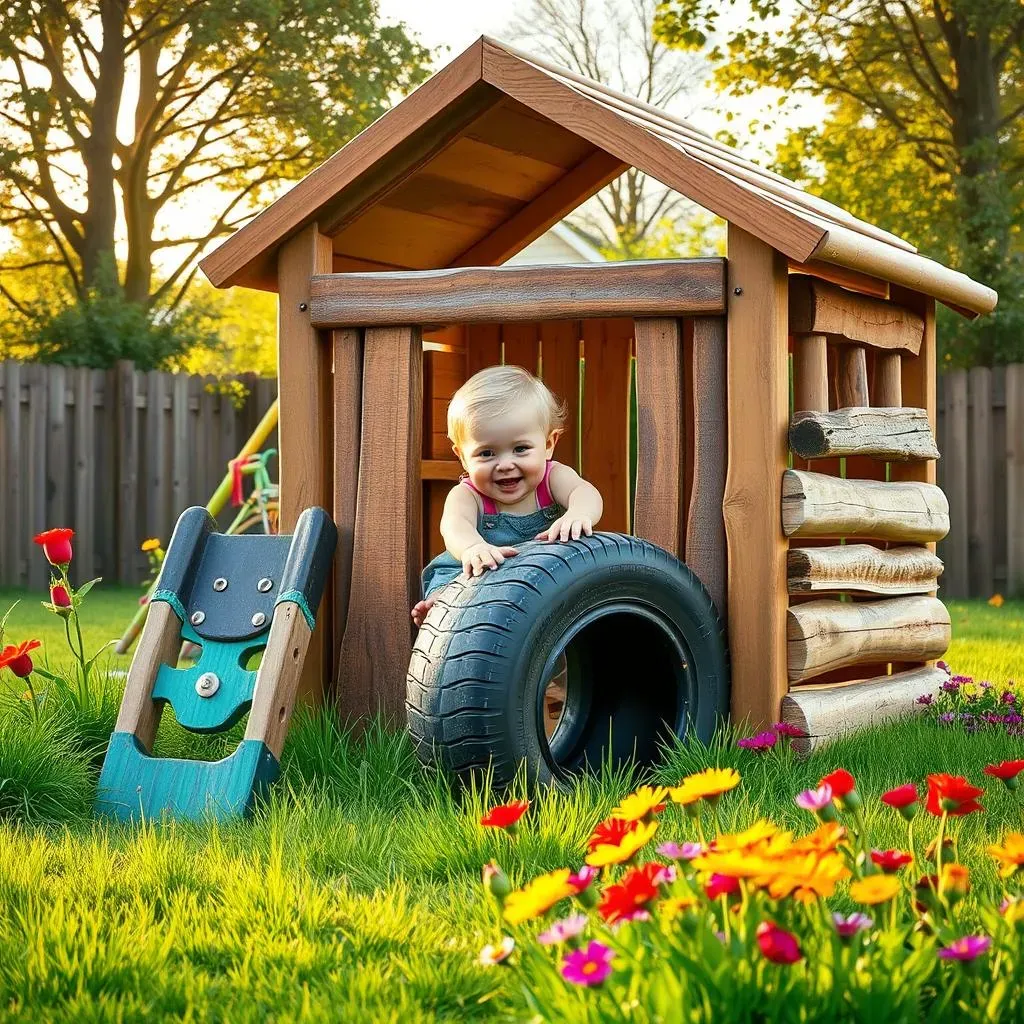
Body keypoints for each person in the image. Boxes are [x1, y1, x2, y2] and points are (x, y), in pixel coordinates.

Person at [411, 364, 604, 627]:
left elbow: (585, 492)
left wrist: (578, 513)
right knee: (448, 580)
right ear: (462, 457)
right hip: (475, 571)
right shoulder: (468, 495)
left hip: (543, 576)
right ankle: (443, 610)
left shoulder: (553, 477)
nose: (504, 464)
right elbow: (454, 526)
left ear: (548, 444)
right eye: (487, 453)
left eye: (520, 449)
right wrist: (472, 547)